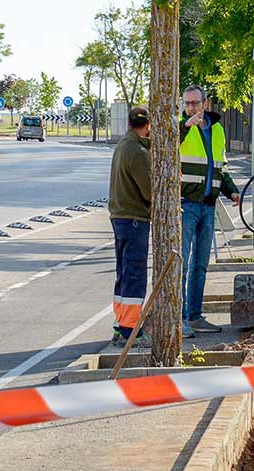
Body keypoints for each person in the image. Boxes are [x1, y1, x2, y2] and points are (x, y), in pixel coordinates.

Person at [179, 85, 241, 337]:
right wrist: (184, 126)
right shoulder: (181, 128)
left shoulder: (217, 130)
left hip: (208, 206)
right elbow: (167, 144)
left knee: (201, 264)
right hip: (186, 204)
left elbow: (220, 168)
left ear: (206, 104)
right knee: (180, 263)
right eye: (187, 104)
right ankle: (178, 318)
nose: (191, 108)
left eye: (195, 103)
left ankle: (194, 316)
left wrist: (231, 191)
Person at [108, 107, 152, 348]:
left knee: (123, 276)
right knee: (135, 276)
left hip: (120, 218)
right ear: (147, 126)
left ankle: (120, 323)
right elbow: (150, 191)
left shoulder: (124, 145)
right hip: (135, 219)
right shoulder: (138, 153)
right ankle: (131, 330)